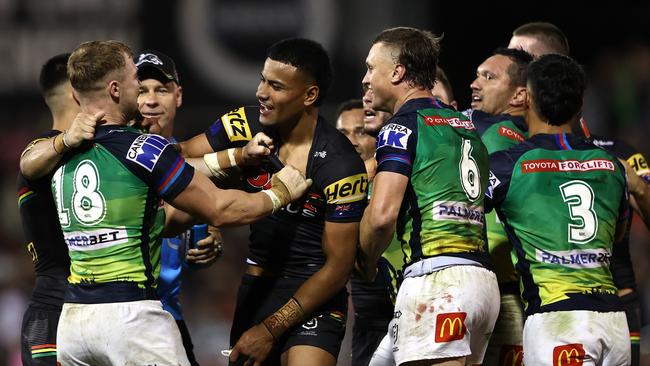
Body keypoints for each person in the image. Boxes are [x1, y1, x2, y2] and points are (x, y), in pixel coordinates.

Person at [19, 40, 311, 366]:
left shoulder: (58, 153)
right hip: (130, 317)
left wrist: (236, 163)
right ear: (116, 89)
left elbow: (160, 213)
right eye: (135, 82)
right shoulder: (142, 149)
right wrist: (279, 194)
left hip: (74, 325)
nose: (143, 97)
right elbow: (219, 207)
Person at [177, 38, 367, 366]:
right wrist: (234, 159)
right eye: (262, 79)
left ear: (310, 95)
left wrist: (269, 330)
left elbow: (338, 267)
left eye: (275, 86)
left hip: (315, 294)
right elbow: (176, 160)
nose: (261, 92)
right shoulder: (242, 125)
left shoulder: (340, 162)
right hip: (256, 287)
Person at [508, 22, 649, 365]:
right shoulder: (500, 144)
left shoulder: (615, 155)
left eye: (522, 61)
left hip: (599, 302)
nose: (513, 69)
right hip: (528, 304)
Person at [357, 27, 499, 366]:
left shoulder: (401, 127)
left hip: (437, 282)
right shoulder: (464, 126)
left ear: (397, 72)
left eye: (371, 68)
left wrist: (363, 261)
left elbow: (381, 217)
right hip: (481, 283)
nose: (364, 79)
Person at [487, 53, 630, 365]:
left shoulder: (509, 165)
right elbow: (618, 234)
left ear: (526, 99)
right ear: (580, 107)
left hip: (558, 320)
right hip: (614, 321)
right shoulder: (612, 167)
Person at [136, 49, 222, 366]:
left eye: (161, 89)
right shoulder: (117, 156)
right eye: (142, 90)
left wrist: (211, 237)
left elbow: (196, 258)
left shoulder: (184, 167)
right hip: (124, 315)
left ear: (178, 96)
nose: (151, 101)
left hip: (168, 317)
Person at [466, 47, 533, 366]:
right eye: (477, 75)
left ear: (520, 94)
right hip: (525, 291)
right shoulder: (541, 144)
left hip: (497, 290)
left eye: (488, 77)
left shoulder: (479, 124)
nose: (474, 84)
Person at [17, 53, 78, 365]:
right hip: (57, 315)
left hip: (72, 312)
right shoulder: (45, 154)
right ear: (76, 93)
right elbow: (29, 161)